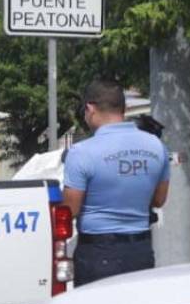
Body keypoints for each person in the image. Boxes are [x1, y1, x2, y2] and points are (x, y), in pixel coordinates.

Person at [63, 79, 170, 286]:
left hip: (97, 253)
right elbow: (159, 200)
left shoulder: (81, 152)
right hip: (140, 250)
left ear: (90, 109)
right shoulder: (156, 147)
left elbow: (70, 210)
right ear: (124, 108)